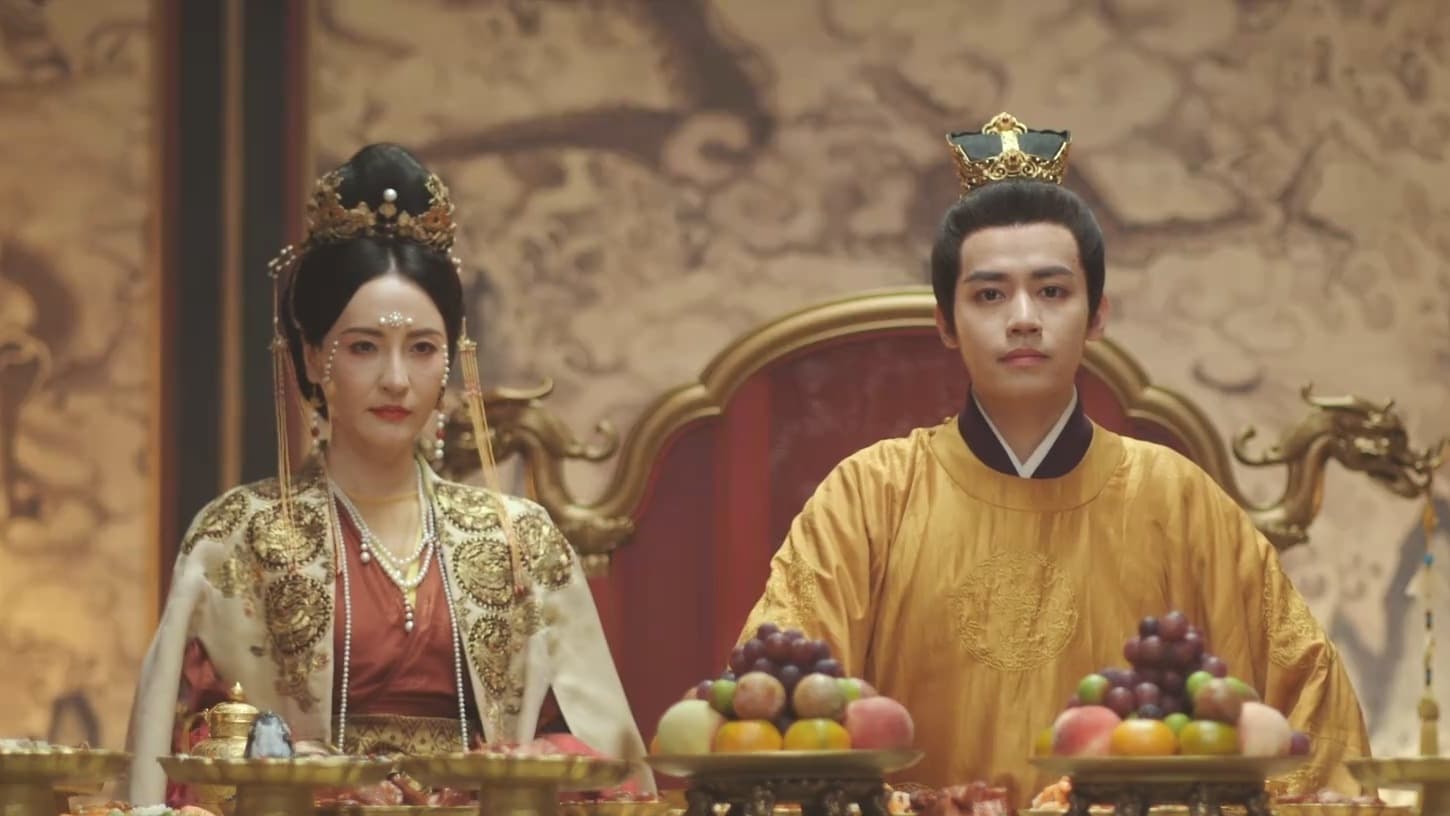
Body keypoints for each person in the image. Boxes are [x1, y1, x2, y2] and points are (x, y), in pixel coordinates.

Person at [737, 114, 1370, 803]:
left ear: (1097, 315)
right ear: (945, 322)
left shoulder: (1178, 499)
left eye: (1052, 291)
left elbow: (1313, 720)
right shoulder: (869, 497)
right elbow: (772, 720)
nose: (1022, 318)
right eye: (989, 294)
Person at [124, 144, 650, 805]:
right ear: (313, 358)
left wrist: (514, 767)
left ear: (450, 361)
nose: (397, 379)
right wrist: (298, 771)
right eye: (365, 347)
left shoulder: (520, 539)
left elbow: (597, 751)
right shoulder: (237, 536)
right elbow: (185, 746)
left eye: (422, 349)